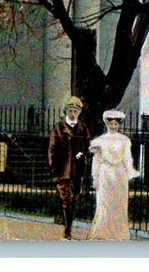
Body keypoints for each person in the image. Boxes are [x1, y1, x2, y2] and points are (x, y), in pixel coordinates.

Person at [87, 109, 141, 241]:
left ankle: (118, 233)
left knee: (118, 203)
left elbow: (128, 158)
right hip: (105, 173)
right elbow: (97, 160)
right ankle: (101, 233)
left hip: (119, 174)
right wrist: (95, 177)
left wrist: (130, 172)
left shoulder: (124, 140)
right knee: (104, 202)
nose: (113, 126)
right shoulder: (100, 140)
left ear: (119, 125)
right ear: (106, 124)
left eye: (115, 124)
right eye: (110, 124)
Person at [48, 95, 91, 239]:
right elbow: (52, 150)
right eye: (71, 110)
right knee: (67, 199)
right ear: (66, 111)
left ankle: (68, 225)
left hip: (77, 171)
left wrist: (79, 155)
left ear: (79, 113)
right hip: (63, 171)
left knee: (74, 199)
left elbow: (86, 148)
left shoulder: (83, 129)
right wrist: (54, 170)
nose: (73, 114)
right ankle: (67, 230)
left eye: (76, 111)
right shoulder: (59, 128)